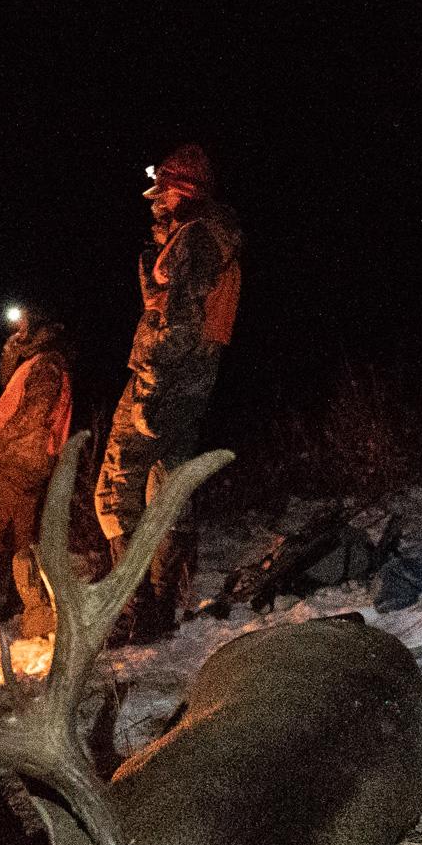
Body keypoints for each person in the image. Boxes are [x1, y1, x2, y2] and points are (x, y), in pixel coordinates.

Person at [97, 143, 242, 643]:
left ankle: (136, 609)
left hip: (164, 382)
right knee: (167, 489)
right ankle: (156, 610)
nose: (155, 201)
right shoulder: (210, 236)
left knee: (116, 490)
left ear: (183, 191)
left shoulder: (195, 239)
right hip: (188, 386)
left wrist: (149, 389)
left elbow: (177, 321)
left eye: (162, 192)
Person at [0, 303, 73, 634]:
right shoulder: (42, 361)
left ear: (38, 327)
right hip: (31, 461)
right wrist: (10, 355)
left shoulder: (47, 364)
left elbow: (34, 414)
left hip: (19, 459)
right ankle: (31, 609)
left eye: (25, 326)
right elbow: (11, 390)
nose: (19, 331)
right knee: (22, 536)